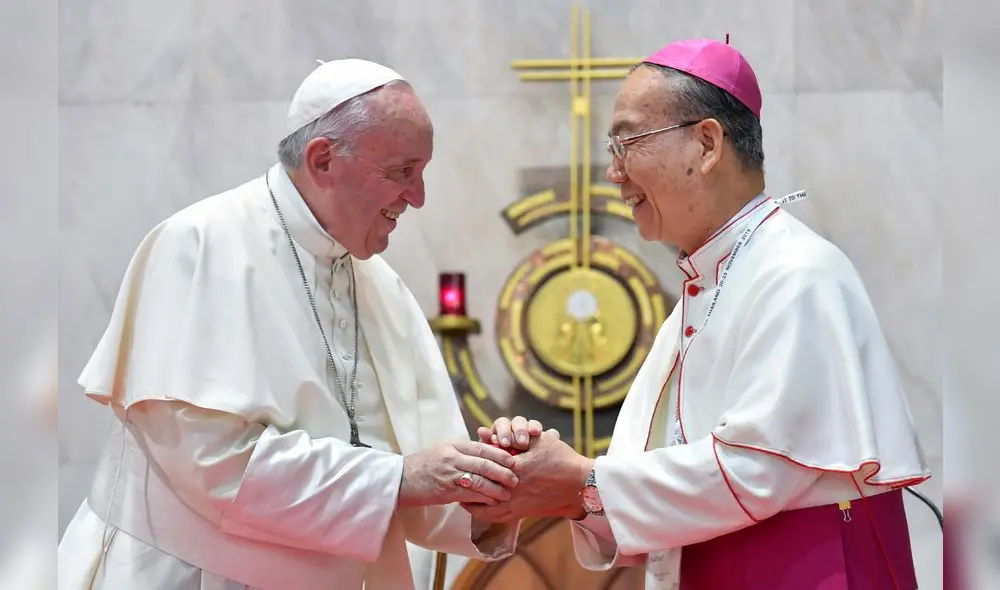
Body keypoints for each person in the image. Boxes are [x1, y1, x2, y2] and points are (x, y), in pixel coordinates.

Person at [465, 39, 931, 590]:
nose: (614, 174)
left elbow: (757, 470)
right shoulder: (706, 286)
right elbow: (661, 492)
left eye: (627, 143)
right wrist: (542, 481)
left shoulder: (797, 273)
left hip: (803, 566)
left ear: (707, 144)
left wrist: (582, 482)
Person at [57, 59, 523, 590]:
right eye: (401, 172)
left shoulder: (381, 287)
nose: (417, 197)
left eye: (422, 173)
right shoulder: (201, 244)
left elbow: (419, 474)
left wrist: (489, 491)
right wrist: (400, 477)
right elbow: (211, 463)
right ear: (323, 159)